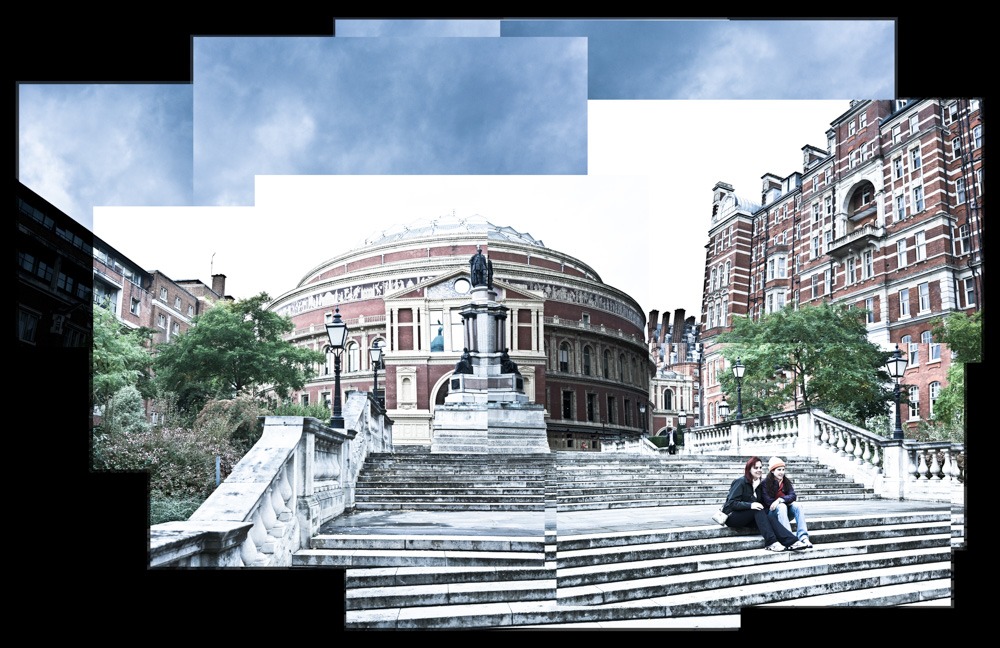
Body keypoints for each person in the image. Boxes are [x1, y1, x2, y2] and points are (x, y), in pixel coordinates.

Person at [723, 456, 809, 552]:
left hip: (749, 516)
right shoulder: (740, 482)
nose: (759, 470)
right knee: (757, 510)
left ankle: (792, 542)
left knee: (769, 517)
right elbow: (731, 503)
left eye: (760, 467)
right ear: (749, 469)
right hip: (732, 516)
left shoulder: (758, 484)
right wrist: (751, 505)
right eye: (756, 468)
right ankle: (771, 542)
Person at [761, 456, 813, 548]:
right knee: (781, 506)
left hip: (785, 513)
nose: (782, 472)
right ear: (772, 471)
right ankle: (790, 540)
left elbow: (793, 496)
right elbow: (769, 502)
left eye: (783, 469)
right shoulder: (765, 483)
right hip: (772, 515)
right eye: (779, 470)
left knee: (798, 506)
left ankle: (803, 537)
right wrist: (781, 501)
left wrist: (780, 500)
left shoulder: (786, 482)